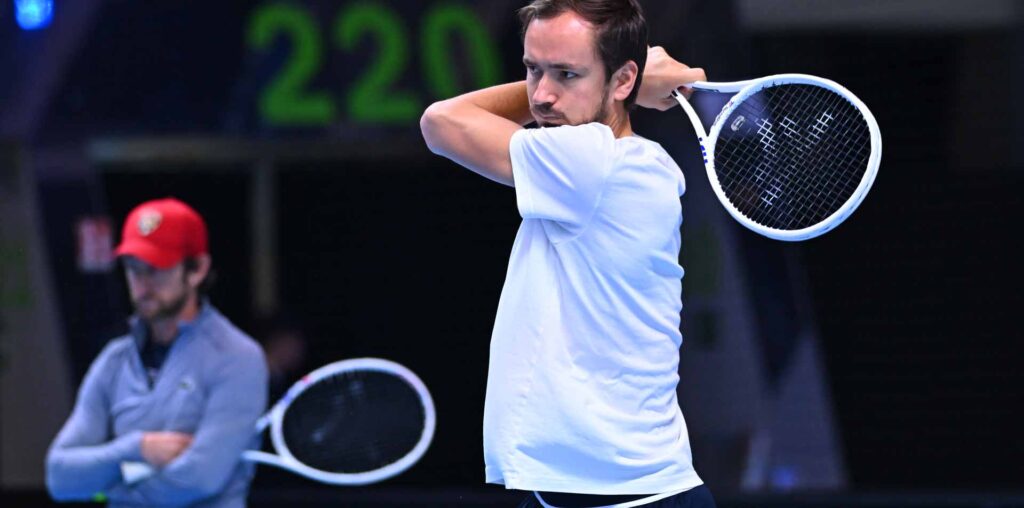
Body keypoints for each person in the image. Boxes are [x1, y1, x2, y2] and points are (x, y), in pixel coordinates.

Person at [420, 0, 714, 506]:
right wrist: (618, 74)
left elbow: (440, 122)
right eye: (532, 69)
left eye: (567, 74)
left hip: (627, 500)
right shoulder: (632, 162)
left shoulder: (591, 162)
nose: (543, 96)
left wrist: (637, 73)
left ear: (623, 82)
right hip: (574, 492)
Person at [46, 198, 268, 508]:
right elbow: (59, 476)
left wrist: (113, 486)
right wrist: (136, 448)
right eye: (133, 269)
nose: (142, 284)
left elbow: (200, 477)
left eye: (157, 269)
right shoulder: (113, 361)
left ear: (197, 269)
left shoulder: (238, 357)